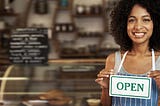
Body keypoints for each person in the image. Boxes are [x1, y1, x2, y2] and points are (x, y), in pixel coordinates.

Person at [95, 0, 160, 106]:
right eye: (131, 20)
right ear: (123, 24)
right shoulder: (113, 60)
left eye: (146, 20)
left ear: (156, 24)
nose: (138, 26)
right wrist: (105, 88)